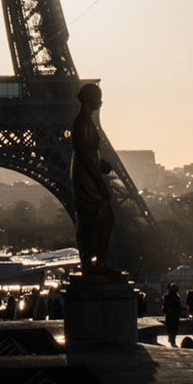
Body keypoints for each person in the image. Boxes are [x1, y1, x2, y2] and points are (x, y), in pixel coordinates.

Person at [68, 84, 116, 274]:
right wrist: (100, 181)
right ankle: (96, 264)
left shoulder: (84, 121)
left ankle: (92, 262)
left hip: (86, 174)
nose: (101, 101)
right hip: (87, 178)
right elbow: (86, 155)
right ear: (90, 99)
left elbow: (87, 154)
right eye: (99, 97)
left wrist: (101, 164)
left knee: (94, 220)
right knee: (102, 219)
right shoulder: (84, 123)